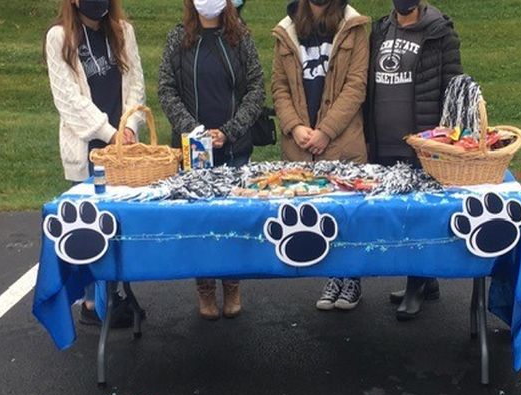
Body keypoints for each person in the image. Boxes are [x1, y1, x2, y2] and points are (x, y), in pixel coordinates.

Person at [158, 0, 264, 319]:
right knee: (200, 221)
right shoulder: (179, 38)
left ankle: (231, 282)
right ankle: (204, 285)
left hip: (234, 148)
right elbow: (166, 89)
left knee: (231, 220)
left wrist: (230, 130)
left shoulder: (241, 37)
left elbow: (257, 89)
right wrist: (194, 130)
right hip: (194, 152)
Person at [45, 0, 147, 328]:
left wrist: (129, 127)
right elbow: (68, 101)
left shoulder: (122, 32)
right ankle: (93, 301)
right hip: (89, 148)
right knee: (92, 226)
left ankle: (116, 293)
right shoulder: (59, 38)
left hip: (123, 150)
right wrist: (109, 132)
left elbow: (136, 84)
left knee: (120, 225)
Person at [365, 0, 462, 320]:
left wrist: (446, 138)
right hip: (384, 140)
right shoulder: (380, 30)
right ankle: (426, 279)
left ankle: (416, 284)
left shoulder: (440, 33)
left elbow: (453, 86)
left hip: (422, 144)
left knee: (418, 214)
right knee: (397, 216)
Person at [271, 0, 369, 311]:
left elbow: (356, 87)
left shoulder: (354, 27)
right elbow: (279, 87)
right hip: (301, 145)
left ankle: (351, 278)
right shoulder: (286, 31)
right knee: (320, 215)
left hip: (342, 141)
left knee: (348, 214)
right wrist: (294, 126)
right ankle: (333, 276)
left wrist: (325, 131)